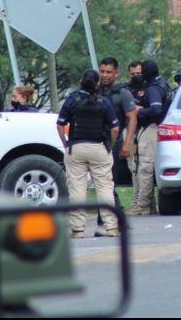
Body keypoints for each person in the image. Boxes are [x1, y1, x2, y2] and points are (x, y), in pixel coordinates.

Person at [56, 69, 120, 238]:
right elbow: (115, 128)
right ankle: (111, 227)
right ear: (97, 83)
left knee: (77, 188)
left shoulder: (72, 100)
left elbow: (60, 125)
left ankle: (77, 229)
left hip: (76, 148)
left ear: (81, 81)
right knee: (105, 187)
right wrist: (110, 146)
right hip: (99, 148)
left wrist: (66, 144)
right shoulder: (104, 102)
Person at [95, 57, 139, 236]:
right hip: (96, 142)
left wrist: (127, 143)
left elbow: (132, 118)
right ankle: (117, 219)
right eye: (102, 71)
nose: (105, 75)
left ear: (116, 73)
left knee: (106, 182)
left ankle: (105, 222)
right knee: (104, 183)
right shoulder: (96, 90)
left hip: (114, 141)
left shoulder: (123, 93)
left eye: (108, 72)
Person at [126, 60, 171, 216]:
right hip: (156, 128)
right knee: (141, 166)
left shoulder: (153, 88)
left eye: (141, 72)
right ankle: (148, 204)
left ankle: (143, 205)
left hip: (151, 127)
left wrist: (140, 110)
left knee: (144, 167)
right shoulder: (163, 83)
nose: (138, 76)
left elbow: (156, 109)